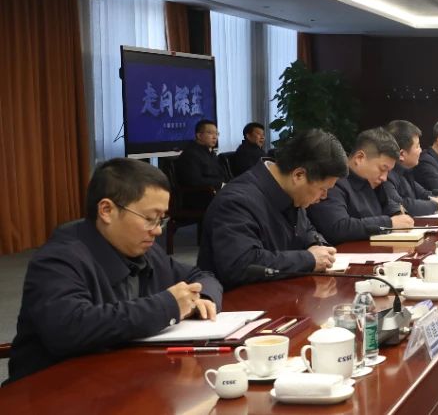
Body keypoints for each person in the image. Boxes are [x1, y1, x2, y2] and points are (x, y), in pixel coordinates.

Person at [7, 158, 223, 383]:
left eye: (162, 219)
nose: (158, 230)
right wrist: (168, 306)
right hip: (52, 389)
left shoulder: (145, 251)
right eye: (150, 219)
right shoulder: (57, 260)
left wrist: (201, 300)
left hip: (120, 379)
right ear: (107, 210)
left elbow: (202, 276)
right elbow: (69, 328)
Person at [198, 129, 344, 289]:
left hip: (284, 292)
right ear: (299, 175)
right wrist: (309, 259)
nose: (324, 196)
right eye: (323, 189)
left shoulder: (291, 191)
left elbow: (306, 229)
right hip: (241, 299)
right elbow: (242, 264)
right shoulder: (236, 201)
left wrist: (316, 244)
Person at [307, 128, 415, 244]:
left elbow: (391, 204)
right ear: (359, 158)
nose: (384, 177)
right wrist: (389, 223)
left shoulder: (375, 182)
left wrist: (397, 213)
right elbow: (337, 227)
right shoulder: (333, 181)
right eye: (382, 169)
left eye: (388, 171)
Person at [384, 120, 438, 217]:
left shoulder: (405, 171)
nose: (421, 150)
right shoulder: (386, 175)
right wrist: (435, 205)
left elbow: (423, 193)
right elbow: (401, 205)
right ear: (401, 154)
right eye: (417, 146)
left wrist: (437, 199)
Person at [174, 119, 228, 189]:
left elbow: (222, 175)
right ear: (199, 136)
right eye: (210, 133)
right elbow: (195, 181)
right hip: (204, 193)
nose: (215, 137)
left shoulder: (211, 153)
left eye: (216, 134)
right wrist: (220, 184)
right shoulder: (190, 155)